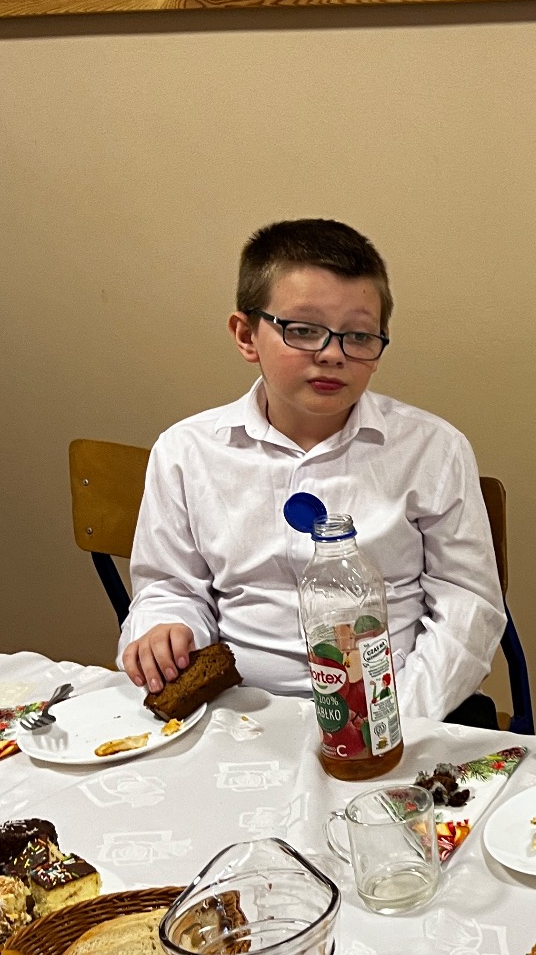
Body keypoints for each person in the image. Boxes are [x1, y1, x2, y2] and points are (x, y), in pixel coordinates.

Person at [119, 219, 507, 726]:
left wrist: (390, 717)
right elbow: (170, 586)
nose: (332, 354)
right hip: (240, 712)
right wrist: (165, 625)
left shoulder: (433, 449)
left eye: (359, 336)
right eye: (302, 330)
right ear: (246, 335)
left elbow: (468, 607)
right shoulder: (186, 451)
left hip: (398, 705)